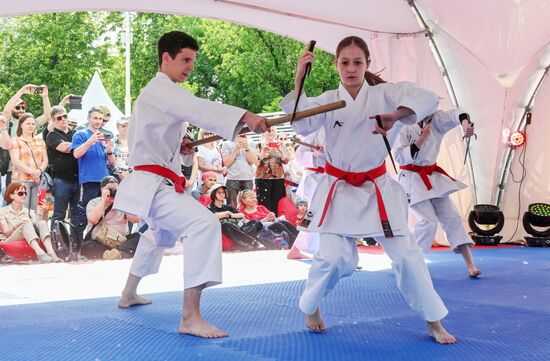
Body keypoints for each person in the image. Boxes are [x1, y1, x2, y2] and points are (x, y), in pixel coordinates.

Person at [280, 36, 455, 344]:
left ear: (367, 64)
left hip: (378, 189)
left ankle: (433, 319)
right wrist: (298, 79)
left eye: (357, 62)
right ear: (335, 65)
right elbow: (301, 124)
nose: (351, 68)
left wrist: (396, 116)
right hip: (338, 189)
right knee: (335, 259)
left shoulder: (386, 96)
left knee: (407, 256)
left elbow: (427, 97)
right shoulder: (326, 101)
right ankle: (311, 305)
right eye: (344, 62)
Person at [113, 31, 267, 338]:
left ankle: (128, 293)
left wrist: (183, 146)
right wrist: (245, 116)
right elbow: (199, 108)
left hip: (157, 182)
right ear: (166, 58)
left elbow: (163, 141)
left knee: (157, 235)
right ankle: (190, 316)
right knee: (204, 224)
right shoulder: (161, 90)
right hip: (153, 184)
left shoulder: (160, 94)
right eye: (185, 59)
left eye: (193, 62)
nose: (190, 67)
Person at [393, 109, 481, 277]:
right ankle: (408, 262)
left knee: (452, 217)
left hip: (432, 178)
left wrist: (465, 125)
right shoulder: (402, 126)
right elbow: (400, 157)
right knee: (428, 222)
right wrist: (422, 138)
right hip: (411, 180)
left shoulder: (435, 120)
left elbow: (456, 114)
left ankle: (470, 265)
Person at [71, 107, 116, 236]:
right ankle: (75, 247)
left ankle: (93, 244)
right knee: (84, 214)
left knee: (103, 214)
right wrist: (90, 141)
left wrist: (109, 151)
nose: (98, 121)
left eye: (101, 119)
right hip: (89, 180)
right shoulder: (81, 134)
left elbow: (112, 163)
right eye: (95, 118)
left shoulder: (104, 137)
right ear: (88, 118)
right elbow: (76, 154)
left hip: (104, 181)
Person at [81, 176, 140, 260]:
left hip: (121, 242)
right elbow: (93, 220)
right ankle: (112, 254)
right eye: (109, 189)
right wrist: (104, 201)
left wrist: (125, 200)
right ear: (102, 189)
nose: (112, 192)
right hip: (100, 243)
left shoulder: (123, 202)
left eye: (115, 189)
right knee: (86, 246)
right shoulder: (94, 202)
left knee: (139, 237)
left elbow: (135, 220)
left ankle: (119, 253)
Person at [0, 182, 60, 263]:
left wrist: (41, 212)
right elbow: (7, 233)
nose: (24, 195)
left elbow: (38, 228)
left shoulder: (29, 212)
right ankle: (40, 253)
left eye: (25, 193)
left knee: (42, 222)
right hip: (10, 239)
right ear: (11, 196)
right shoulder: (2, 211)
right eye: (20, 193)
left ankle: (51, 252)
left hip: (28, 238)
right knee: (26, 223)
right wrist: (19, 224)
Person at [46, 106, 80, 230]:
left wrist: (81, 145)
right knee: (59, 215)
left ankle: (75, 244)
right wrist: (83, 145)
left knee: (77, 215)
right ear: (54, 121)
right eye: (59, 118)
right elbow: (65, 148)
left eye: (65, 116)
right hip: (61, 180)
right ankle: (56, 244)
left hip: (78, 179)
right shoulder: (52, 135)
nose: (63, 119)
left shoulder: (75, 133)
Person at [9, 113, 49, 210]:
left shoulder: (40, 141)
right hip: (21, 180)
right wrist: (33, 173)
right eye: (28, 124)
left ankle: (36, 225)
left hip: (40, 181)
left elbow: (45, 160)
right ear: (21, 125)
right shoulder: (15, 141)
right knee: (21, 210)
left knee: (39, 210)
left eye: (33, 124)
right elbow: (15, 161)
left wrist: (39, 171)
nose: (31, 126)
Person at [207, 183, 261, 251]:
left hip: (237, 229)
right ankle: (253, 242)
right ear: (213, 194)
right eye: (219, 192)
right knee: (226, 225)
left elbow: (242, 215)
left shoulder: (228, 207)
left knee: (255, 222)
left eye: (223, 192)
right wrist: (226, 213)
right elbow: (213, 216)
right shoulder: (210, 207)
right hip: (223, 232)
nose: (222, 194)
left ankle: (243, 244)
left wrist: (230, 215)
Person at [255, 127, 289, 215]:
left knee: (277, 203)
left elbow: (286, 161)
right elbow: (255, 162)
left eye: (272, 130)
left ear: (275, 132)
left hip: (278, 178)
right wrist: (263, 153)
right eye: (268, 130)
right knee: (264, 203)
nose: (270, 132)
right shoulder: (259, 145)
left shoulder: (280, 144)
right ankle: (265, 221)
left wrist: (281, 152)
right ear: (263, 133)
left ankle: (277, 222)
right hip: (262, 178)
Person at [221, 133, 256, 208]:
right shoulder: (226, 144)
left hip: (248, 178)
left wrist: (247, 148)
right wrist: (236, 149)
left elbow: (252, 161)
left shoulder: (251, 142)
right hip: (232, 179)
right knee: (232, 205)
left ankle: (247, 219)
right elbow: (227, 163)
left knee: (248, 206)